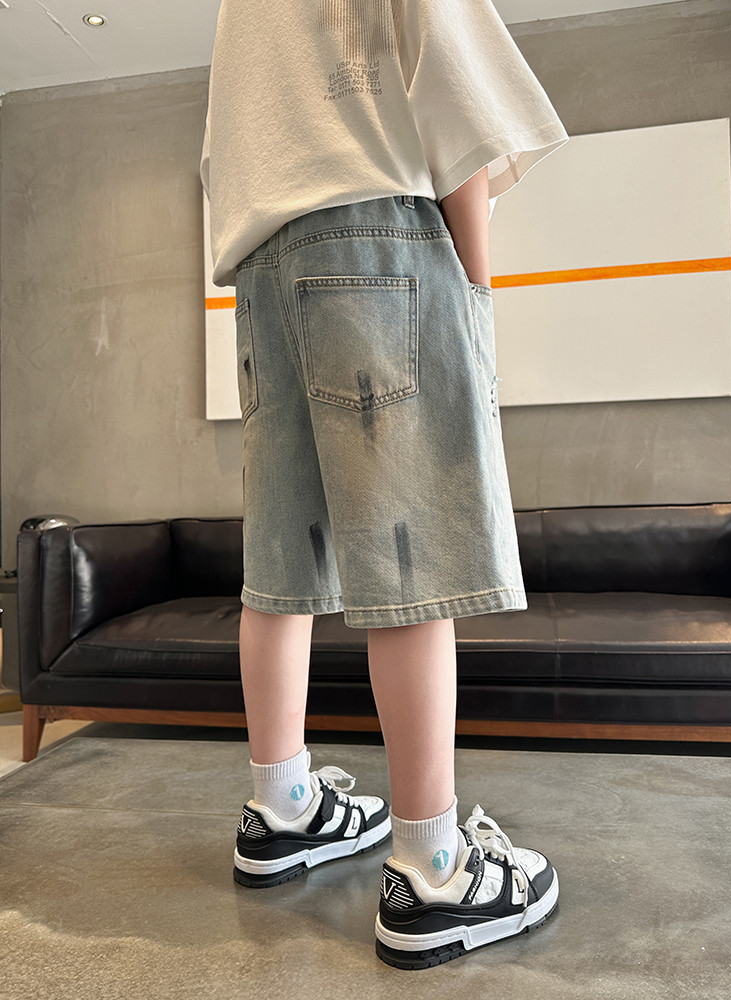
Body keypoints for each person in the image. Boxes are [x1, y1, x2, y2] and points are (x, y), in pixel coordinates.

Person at [200, 0, 569, 970]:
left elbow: (226, 149)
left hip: (261, 267)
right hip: (378, 243)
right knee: (410, 557)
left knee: (281, 558)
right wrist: (474, 294)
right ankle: (435, 869)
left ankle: (282, 807)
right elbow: (462, 106)